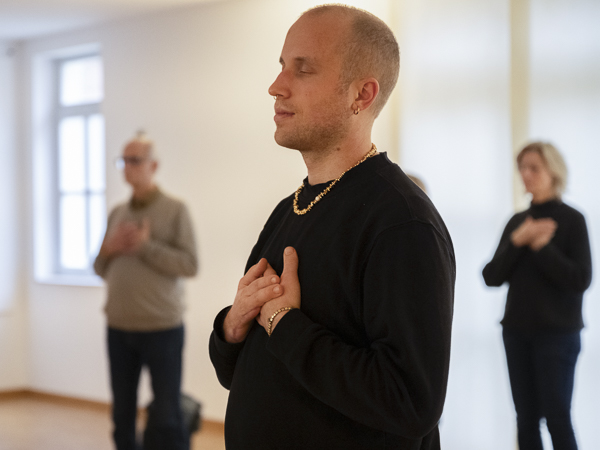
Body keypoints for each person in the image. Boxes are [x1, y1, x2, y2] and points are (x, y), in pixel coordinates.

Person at [209, 5, 455, 449]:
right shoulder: (289, 208)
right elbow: (238, 373)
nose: (276, 86)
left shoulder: (402, 222)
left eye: (302, 70)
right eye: (282, 65)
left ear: (361, 94)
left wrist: (284, 323)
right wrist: (233, 324)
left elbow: (409, 403)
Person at [482, 142, 592, 450]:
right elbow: (491, 276)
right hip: (516, 334)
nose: (525, 174)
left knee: (558, 418)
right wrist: (519, 241)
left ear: (553, 172)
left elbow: (580, 279)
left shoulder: (573, 220)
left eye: (534, 168)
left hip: (558, 336)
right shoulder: (518, 223)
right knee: (525, 420)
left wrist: (542, 247)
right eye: (522, 168)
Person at [94, 133, 198, 450]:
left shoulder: (175, 210)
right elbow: (99, 268)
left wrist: (145, 247)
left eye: (135, 160)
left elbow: (190, 265)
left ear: (153, 165)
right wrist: (110, 248)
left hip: (162, 328)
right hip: (119, 327)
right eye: (123, 160)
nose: (127, 167)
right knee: (122, 413)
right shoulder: (117, 213)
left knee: (166, 414)